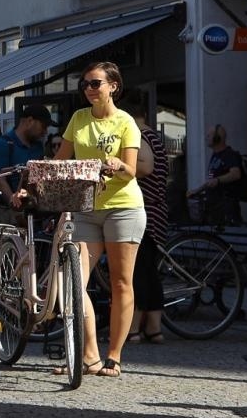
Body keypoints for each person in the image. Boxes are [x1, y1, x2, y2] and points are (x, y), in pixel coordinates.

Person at [52, 61, 144, 378]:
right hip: (86, 207)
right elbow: (59, 162)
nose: (89, 89)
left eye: (95, 83)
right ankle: (89, 353)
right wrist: (36, 184)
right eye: (85, 84)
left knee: (121, 282)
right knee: (73, 280)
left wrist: (117, 164)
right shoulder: (78, 118)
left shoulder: (125, 122)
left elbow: (132, 171)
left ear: (112, 86)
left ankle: (114, 356)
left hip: (123, 207)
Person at [128, 110, 169, 345]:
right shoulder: (155, 137)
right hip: (156, 210)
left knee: (139, 273)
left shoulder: (138, 135)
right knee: (150, 273)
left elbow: (145, 168)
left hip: (144, 211)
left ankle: (134, 328)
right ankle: (154, 328)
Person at [0, 105, 53, 202]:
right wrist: (13, 201)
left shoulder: (38, 146)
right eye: (43, 126)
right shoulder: (1, 145)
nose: (45, 132)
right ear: (30, 121)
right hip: (7, 212)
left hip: (35, 207)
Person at [192, 123, 245, 227]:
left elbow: (236, 174)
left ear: (217, 138)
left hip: (226, 208)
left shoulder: (229, 154)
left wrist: (218, 180)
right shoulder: (215, 155)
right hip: (215, 207)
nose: (206, 137)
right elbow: (212, 180)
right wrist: (197, 190)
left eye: (209, 135)